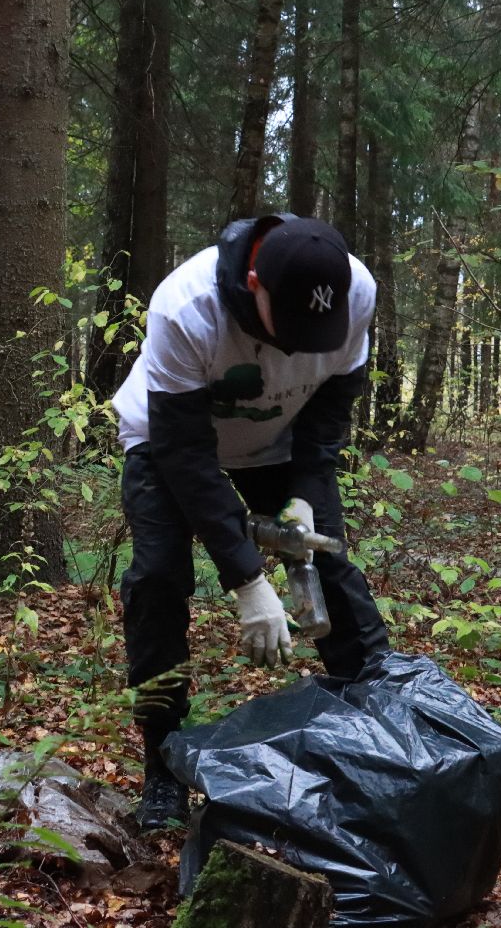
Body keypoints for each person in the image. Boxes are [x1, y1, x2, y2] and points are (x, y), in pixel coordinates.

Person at [111, 213, 391, 829]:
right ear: (256, 283)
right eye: (287, 325)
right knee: (158, 580)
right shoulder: (187, 307)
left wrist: (304, 498)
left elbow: (327, 421)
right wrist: (247, 579)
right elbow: (185, 457)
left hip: (280, 443)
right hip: (164, 438)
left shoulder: (359, 290)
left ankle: (391, 732)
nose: (297, 346)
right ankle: (162, 767)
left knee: (330, 566)